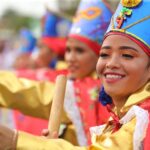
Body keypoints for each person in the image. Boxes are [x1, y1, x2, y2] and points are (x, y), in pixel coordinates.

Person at [0, 0, 149, 149]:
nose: (111, 63)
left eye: (127, 55)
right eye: (105, 54)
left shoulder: (144, 119)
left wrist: (16, 140)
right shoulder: (118, 113)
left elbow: (36, 93)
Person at [9, 0, 112, 146]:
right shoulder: (65, 79)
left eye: (80, 50)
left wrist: (16, 140)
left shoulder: (109, 93)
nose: (70, 58)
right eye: (68, 50)